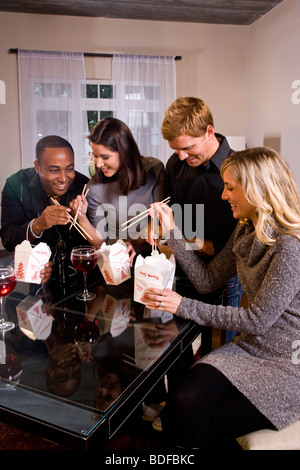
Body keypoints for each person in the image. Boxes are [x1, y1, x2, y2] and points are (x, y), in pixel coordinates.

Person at [144, 147, 300, 449]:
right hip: (248, 348)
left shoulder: (289, 247)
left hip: (287, 363)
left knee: (204, 421)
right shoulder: (246, 229)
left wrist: (181, 305)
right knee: (182, 401)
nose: (223, 195)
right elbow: (207, 281)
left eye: (230, 187)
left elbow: (257, 320)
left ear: (257, 188)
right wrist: (173, 231)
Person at [70, 117, 165, 259]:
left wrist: (136, 241)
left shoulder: (154, 169)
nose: (98, 163)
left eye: (105, 157)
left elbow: (162, 218)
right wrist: (81, 218)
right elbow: (100, 242)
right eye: (95, 156)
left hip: (153, 257)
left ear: (125, 151)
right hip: (116, 261)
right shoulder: (94, 187)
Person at [0, 135, 89, 261]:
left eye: (69, 169)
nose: (63, 178)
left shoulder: (84, 186)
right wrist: (37, 225)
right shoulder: (16, 184)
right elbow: (8, 240)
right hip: (33, 267)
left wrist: (82, 218)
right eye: (54, 170)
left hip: (76, 267)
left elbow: (93, 244)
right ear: (37, 167)